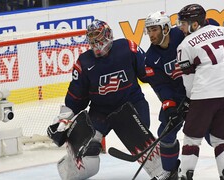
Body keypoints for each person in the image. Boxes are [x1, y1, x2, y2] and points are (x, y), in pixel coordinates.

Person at [47, 19, 164, 180]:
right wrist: (62, 121)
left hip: (131, 105)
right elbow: (75, 100)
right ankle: (69, 170)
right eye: (92, 40)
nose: (95, 43)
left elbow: (149, 74)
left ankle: (164, 172)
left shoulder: (127, 48)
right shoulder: (84, 62)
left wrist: (170, 96)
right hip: (100, 112)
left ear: (108, 36)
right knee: (89, 158)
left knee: (141, 138)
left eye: (98, 38)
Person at [144, 10, 224, 180]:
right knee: (166, 134)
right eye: (149, 30)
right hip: (177, 97)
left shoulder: (183, 34)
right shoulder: (150, 58)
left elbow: (208, 30)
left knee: (215, 136)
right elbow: (160, 86)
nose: (151, 34)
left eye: (154, 29)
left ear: (166, 28)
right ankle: (170, 172)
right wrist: (170, 106)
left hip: (202, 92)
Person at [175, 4, 224, 180]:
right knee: (222, 140)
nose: (181, 27)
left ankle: (185, 175)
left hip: (205, 95)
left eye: (184, 24)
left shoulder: (184, 45)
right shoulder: (223, 31)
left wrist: (190, 100)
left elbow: (189, 83)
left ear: (195, 24)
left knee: (192, 140)